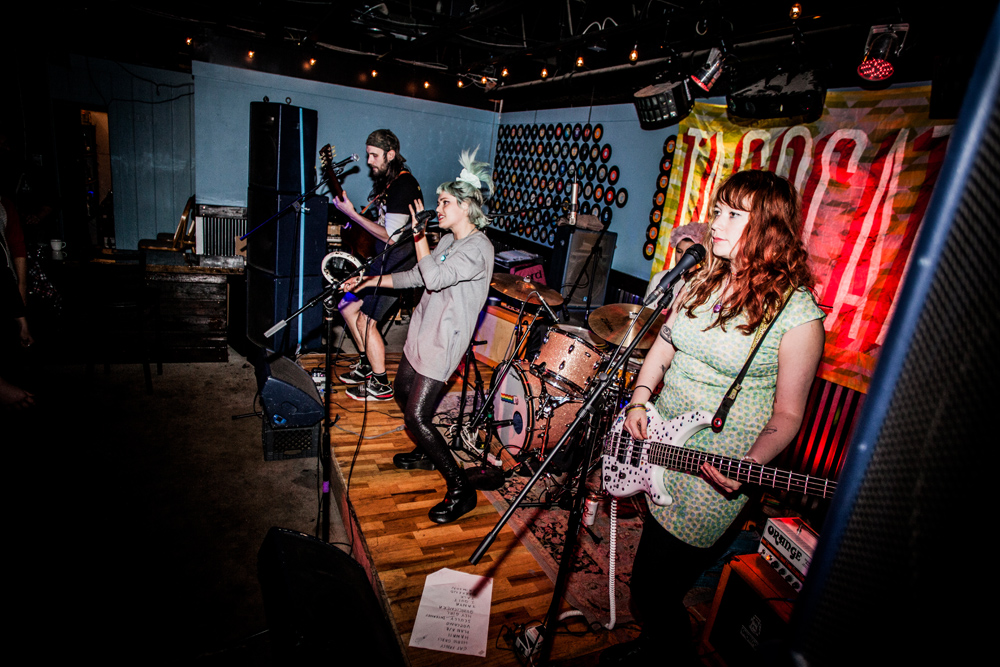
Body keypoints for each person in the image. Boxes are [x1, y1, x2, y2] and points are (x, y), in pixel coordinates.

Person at [600, 170, 826, 666]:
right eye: (717, 210)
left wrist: (750, 462)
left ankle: (669, 651)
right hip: (659, 442)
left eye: (731, 215)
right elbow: (664, 344)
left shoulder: (796, 314)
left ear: (767, 227)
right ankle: (657, 641)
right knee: (650, 576)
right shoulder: (702, 278)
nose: (714, 223)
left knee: (655, 587)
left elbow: (788, 414)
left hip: (715, 469)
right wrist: (639, 399)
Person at [341, 149, 495, 523]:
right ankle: (426, 453)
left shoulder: (479, 248)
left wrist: (419, 236)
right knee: (400, 392)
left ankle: (460, 489)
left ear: (465, 206)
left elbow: (436, 277)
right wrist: (369, 280)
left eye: (445, 202)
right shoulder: (448, 242)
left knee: (418, 418)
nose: (437, 207)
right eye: (440, 201)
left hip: (444, 342)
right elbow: (415, 277)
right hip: (421, 332)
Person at [331, 129, 422, 401]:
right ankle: (366, 364)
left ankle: (381, 384)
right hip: (381, 260)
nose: (369, 161)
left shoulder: (404, 185)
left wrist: (351, 215)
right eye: (368, 153)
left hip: (396, 265)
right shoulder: (389, 183)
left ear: (390, 155)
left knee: (367, 321)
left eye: (374, 155)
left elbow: (390, 237)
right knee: (347, 306)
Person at [642, 221, 708, 306]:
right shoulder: (659, 278)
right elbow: (647, 312)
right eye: (679, 251)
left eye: (688, 253)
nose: (682, 256)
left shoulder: (702, 284)